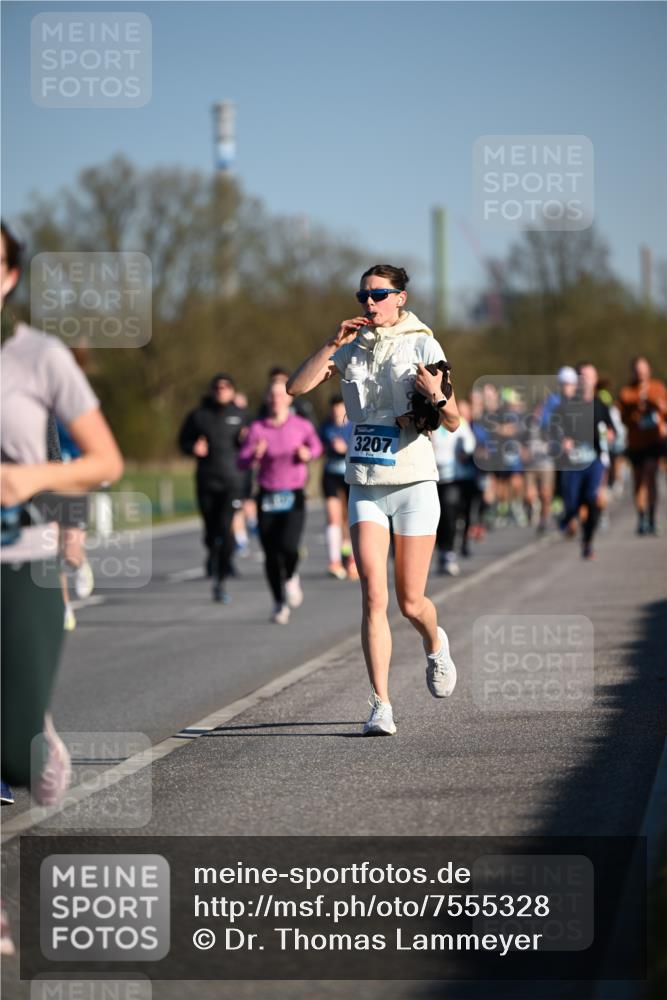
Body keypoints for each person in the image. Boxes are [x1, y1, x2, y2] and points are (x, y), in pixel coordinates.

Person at [287, 264, 460, 736]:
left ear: (399, 298)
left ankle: (434, 644)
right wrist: (331, 342)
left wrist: (435, 397)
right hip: (364, 483)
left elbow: (453, 421)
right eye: (363, 296)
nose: (369, 303)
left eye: (379, 295)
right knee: (372, 596)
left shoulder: (424, 342)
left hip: (413, 485)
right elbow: (295, 388)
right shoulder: (351, 346)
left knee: (410, 601)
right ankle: (381, 704)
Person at [1, 220, 123, 818]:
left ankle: (33, 747)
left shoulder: (38, 358)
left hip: (19, 557)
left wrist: (33, 482)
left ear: (9, 275)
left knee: (15, 755)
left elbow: (102, 461)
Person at [237, 379, 323, 624]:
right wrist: (254, 454)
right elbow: (240, 462)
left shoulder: (301, 426)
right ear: (267, 400)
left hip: (293, 493)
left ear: (289, 398)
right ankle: (278, 602)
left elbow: (317, 447)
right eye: (271, 395)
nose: (275, 399)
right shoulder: (257, 429)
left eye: (280, 395)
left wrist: (308, 454)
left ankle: (292, 575)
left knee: (289, 547)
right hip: (267, 495)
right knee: (271, 553)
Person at [178, 373, 249, 603]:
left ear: (232, 390)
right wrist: (192, 448)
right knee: (210, 531)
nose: (221, 390)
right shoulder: (199, 416)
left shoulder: (242, 416)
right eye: (217, 387)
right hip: (207, 481)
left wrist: (247, 441)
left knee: (226, 530)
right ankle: (213, 555)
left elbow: (255, 445)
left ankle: (220, 578)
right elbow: (182, 441)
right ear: (211, 390)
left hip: (232, 482)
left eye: (226, 386)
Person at [550, 362, 615, 559]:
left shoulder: (600, 405)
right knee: (573, 504)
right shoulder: (566, 406)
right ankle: (568, 516)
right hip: (572, 464)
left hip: (594, 461)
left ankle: (587, 542)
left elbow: (611, 429)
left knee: (593, 500)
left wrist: (610, 435)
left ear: (595, 380)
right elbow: (553, 430)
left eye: (589, 376)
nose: (585, 380)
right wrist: (563, 440)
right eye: (582, 376)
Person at [618, 356, 667, 535]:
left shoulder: (658, 387)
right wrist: (635, 410)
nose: (641, 372)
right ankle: (641, 518)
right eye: (638, 369)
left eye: (643, 368)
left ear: (649, 370)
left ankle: (652, 518)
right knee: (639, 481)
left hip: (654, 441)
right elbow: (621, 416)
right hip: (636, 442)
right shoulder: (627, 392)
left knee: (651, 477)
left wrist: (656, 405)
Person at [432, 398, 477, 575]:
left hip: (454, 477)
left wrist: (464, 451)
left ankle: (449, 552)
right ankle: (441, 551)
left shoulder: (460, 422)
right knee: (437, 518)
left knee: (451, 514)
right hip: (433, 477)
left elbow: (469, 442)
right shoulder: (431, 421)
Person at [319, 394, 357, 579]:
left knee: (349, 519)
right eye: (333, 410)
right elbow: (316, 446)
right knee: (333, 517)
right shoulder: (325, 426)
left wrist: (347, 448)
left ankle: (352, 559)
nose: (336, 413)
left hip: (351, 475)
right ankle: (334, 561)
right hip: (331, 476)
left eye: (340, 409)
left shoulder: (354, 425)